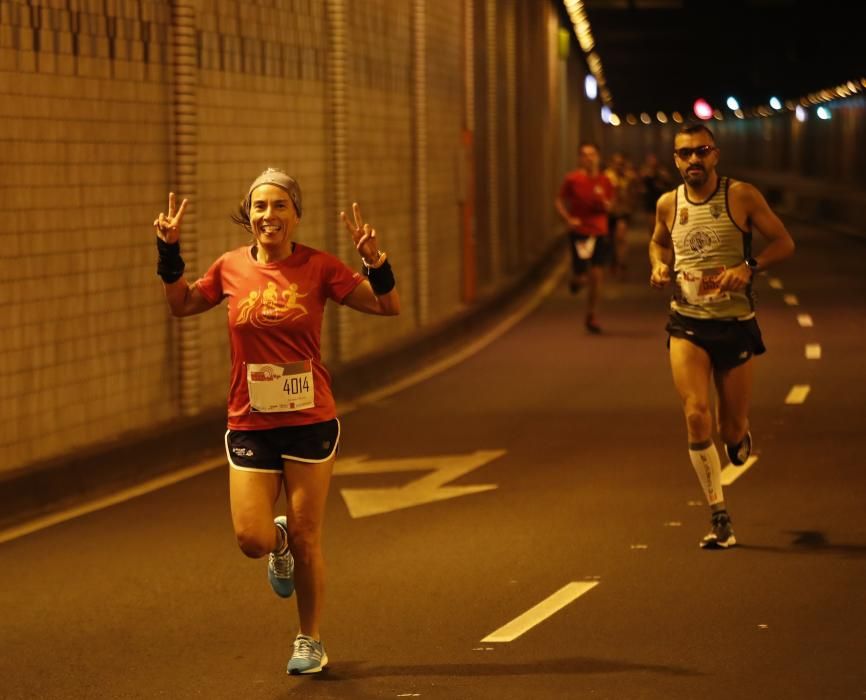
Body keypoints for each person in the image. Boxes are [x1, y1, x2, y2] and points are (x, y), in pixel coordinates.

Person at [152, 168, 401, 674]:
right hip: (249, 419)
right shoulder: (228, 268)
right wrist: (168, 251)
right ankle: (277, 541)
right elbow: (180, 305)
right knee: (252, 539)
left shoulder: (320, 267)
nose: (270, 215)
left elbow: (387, 305)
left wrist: (374, 260)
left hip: (310, 418)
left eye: (280, 206)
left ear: (296, 214)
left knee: (312, 537)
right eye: (260, 206)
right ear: (249, 216)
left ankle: (309, 639)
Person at [648, 124, 794, 549]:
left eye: (702, 151)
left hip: (734, 324)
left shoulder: (741, 196)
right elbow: (658, 245)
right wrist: (658, 266)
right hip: (687, 322)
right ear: (675, 160)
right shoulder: (667, 204)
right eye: (685, 153)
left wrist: (749, 265)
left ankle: (738, 436)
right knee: (696, 413)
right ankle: (719, 515)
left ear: (716, 155)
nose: (694, 160)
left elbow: (784, 242)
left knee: (730, 430)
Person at [555, 142, 614, 333]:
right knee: (583, 277)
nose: (589, 158)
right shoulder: (572, 179)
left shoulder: (605, 180)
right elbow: (559, 200)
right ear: (580, 158)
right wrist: (568, 218)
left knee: (597, 276)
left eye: (592, 154)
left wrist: (606, 205)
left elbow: (611, 205)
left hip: (600, 231)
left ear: (598, 157)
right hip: (580, 232)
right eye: (585, 155)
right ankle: (576, 279)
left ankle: (592, 315)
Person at [604, 153, 638, 278]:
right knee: (610, 239)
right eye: (616, 163)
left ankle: (622, 263)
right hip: (609, 212)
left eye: (620, 164)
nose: (618, 166)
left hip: (623, 211)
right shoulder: (607, 176)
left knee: (621, 237)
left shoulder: (628, 176)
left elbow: (634, 191)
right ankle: (614, 261)